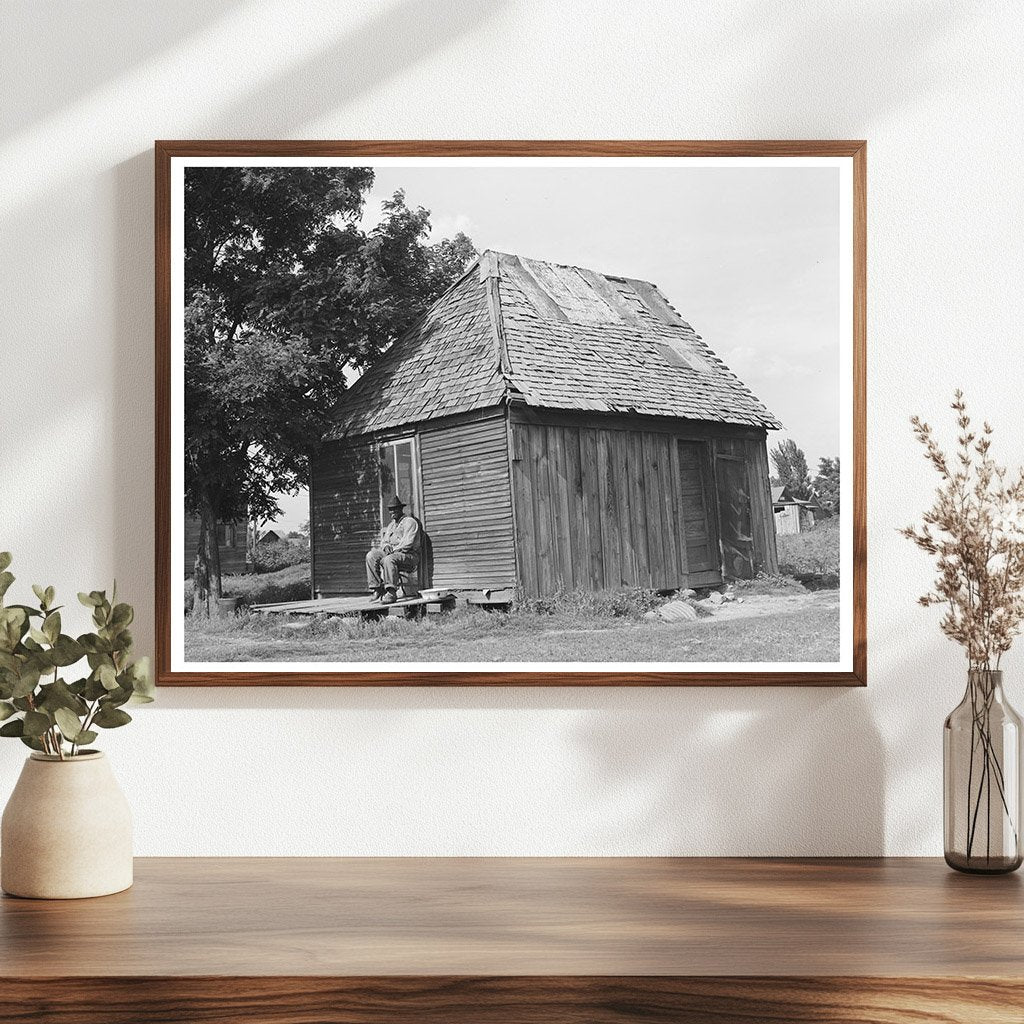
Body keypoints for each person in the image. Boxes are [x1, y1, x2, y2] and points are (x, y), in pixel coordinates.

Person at [366, 496, 421, 604]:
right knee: (371, 555)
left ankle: (391, 593)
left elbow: (407, 544)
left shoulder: (409, 522)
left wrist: (392, 550)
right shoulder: (391, 525)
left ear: (401, 509)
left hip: (409, 556)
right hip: (393, 555)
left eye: (395, 509)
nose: (392, 512)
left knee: (389, 559)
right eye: (390, 509)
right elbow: (384, 541)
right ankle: (377, 588)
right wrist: (386, 546)